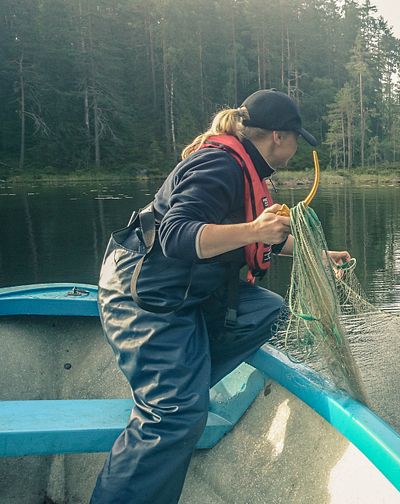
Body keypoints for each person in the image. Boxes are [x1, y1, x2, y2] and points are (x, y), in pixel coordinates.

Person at [91, 89, 350, 503]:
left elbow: (263, 238)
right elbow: (176, 235)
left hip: (185, 293)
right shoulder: (218, 164)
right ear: (278, 137)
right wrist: (255, 230)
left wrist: (317, 255)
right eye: (297, 137)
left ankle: (178, 381)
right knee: (174, 418)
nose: (297, 147)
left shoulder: (248, 169)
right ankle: (170, 398)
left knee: (265, 310)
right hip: (144, 296)